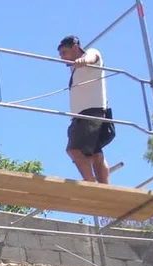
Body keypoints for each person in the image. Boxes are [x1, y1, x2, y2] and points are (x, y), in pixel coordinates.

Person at [58, 35, 114, 184]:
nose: (62, 58)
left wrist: (84, 60)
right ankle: (104, 188)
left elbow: (92, 56)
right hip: (89, 113)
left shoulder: (90, 54)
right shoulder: (75, 70)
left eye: (64, 52)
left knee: (74, 149)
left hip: (89, 113)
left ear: (75, 48)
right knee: (95, 153)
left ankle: (90, 182)